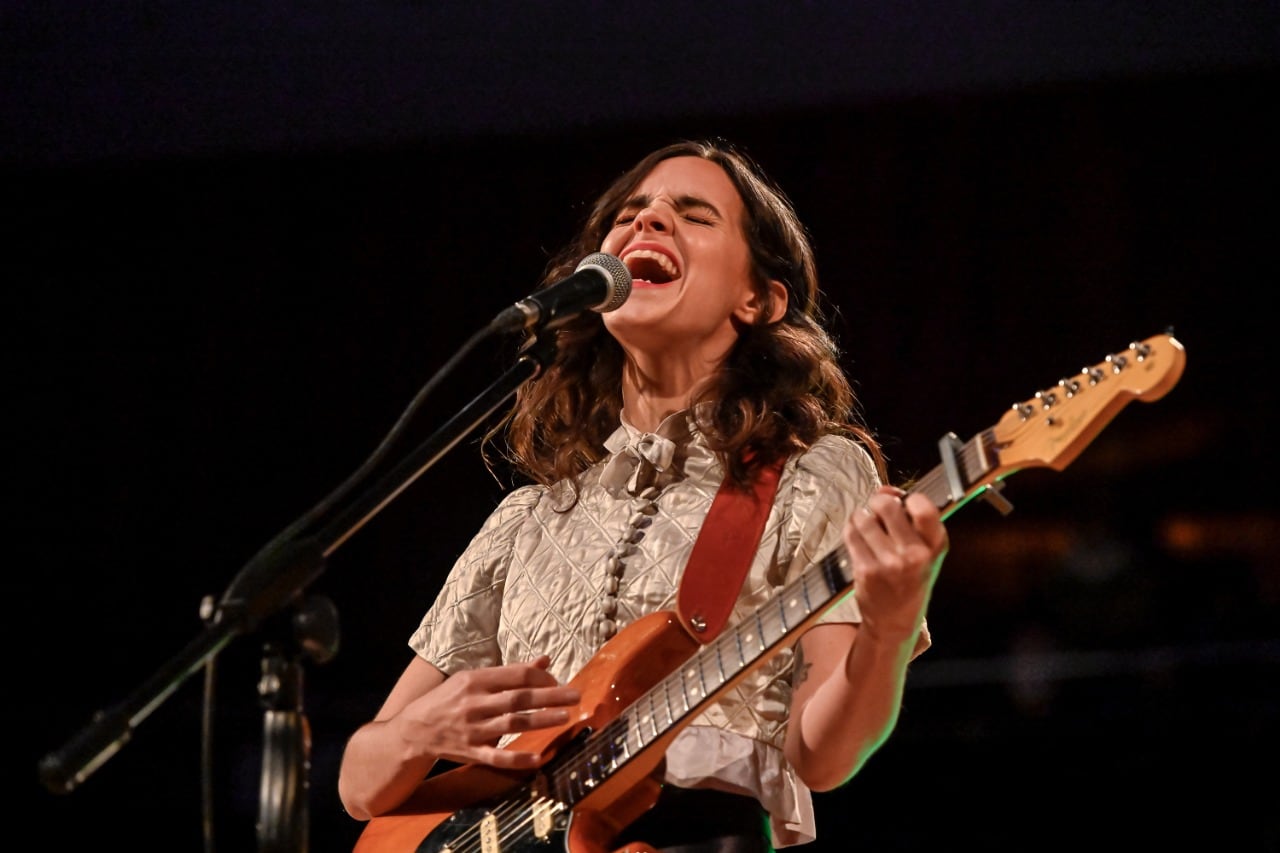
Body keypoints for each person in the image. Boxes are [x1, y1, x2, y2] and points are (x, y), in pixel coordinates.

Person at [337, 139, 949, 852]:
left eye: (694, 215)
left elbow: (823, 758)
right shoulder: (526, 519)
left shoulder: (813, 475)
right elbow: (359, 786)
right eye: (628, 213)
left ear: (758, 299)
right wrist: (418, 733)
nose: (647, 220)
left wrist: (889, 628)